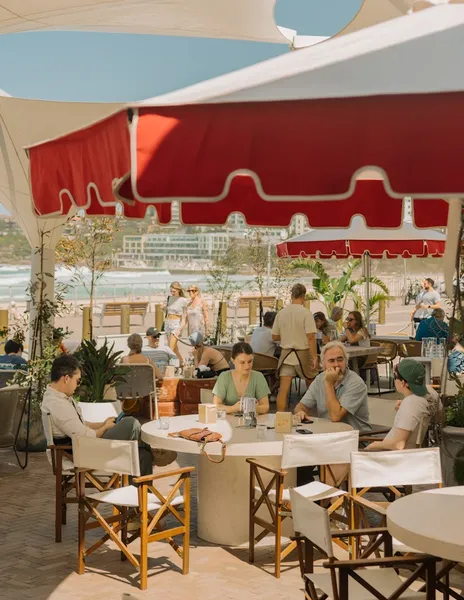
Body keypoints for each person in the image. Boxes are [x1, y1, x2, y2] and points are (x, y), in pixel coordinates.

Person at [42, 354, 153, 475]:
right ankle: (156, 452)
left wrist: (103, 423)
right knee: (131, 423)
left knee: (143, 455)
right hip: (85, 453)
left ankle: (139, 488)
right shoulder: (58, 404)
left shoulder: (59, 398)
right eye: (77, 381)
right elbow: (84, 436)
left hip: (84, 448)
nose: (77, 385)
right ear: (66, 378)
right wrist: (104, 428)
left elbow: (80, 425)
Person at [294, 341, 372, 432]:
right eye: (331, 361)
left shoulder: (356, 383)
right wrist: (300, 412)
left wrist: (328, 383)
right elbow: (300, 406)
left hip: (355, 439)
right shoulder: (320, 379)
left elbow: (336, 417)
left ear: (346, 361)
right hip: (328, 435)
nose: (336, 364)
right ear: (324, 365)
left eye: (340, 359)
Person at [366, 359, 439, 450]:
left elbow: (398, 444)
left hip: (391, 456)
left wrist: (373, 445)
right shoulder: (431, 393)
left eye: (395, 376)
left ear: (403, 382)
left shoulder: (410, 404)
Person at [272, 283, 318, 412]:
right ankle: (315, 416)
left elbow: (275, 336)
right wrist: (314, 357)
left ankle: (281, 419)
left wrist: (288, 336)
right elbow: (311, 337)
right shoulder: (306, 313)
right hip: (302, 352)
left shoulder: (281, 313)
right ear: (303, 297)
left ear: (291, 295)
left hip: (286, 354)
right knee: (312, 388)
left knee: (284, 390)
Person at [212, 342, 270, 415]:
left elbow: (265, 406)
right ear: (233, 361)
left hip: (251, 423)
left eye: (250, 361)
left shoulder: (258, 377)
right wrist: (234, 408)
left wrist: (251, 408)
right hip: (227, 422)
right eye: (242, 362)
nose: (247, 366)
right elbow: (215, 406)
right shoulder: (224, 377)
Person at [163, 282, 189, 366]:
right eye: (171, 291)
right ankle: (182, 362)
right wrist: (163, 308)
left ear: (178, 290)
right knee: (175, 348)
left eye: (174, 291)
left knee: (170, 348)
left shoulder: (183, 300)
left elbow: (185, 317)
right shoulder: (169, 298)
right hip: (168, 323)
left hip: (176, 324)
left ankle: (168, 366)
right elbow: (166, 311)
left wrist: (180, 329)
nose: (172, 293)